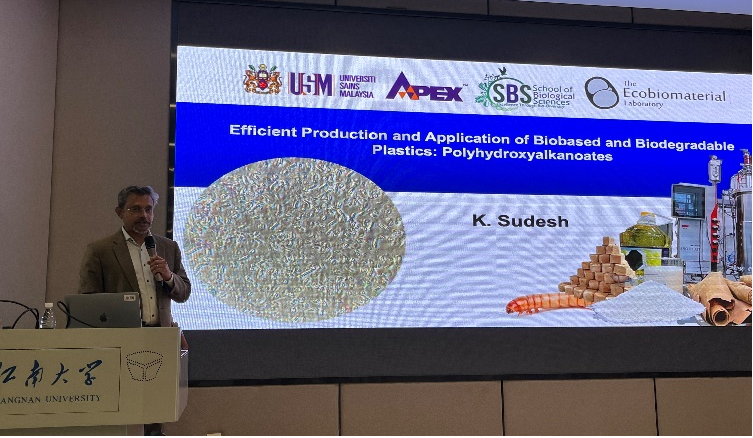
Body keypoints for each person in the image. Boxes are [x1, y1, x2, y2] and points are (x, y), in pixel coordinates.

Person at [77, 185, 191, 437]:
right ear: (120, 212)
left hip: (160, 339)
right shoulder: (100, 250)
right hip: (121, 342)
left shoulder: (168, 247)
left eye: (149, 209)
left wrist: (169, 276)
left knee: (156, 408)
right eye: (135, 209)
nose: (144, 215)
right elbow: (87, 301)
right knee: (123, 409)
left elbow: (184, 292)